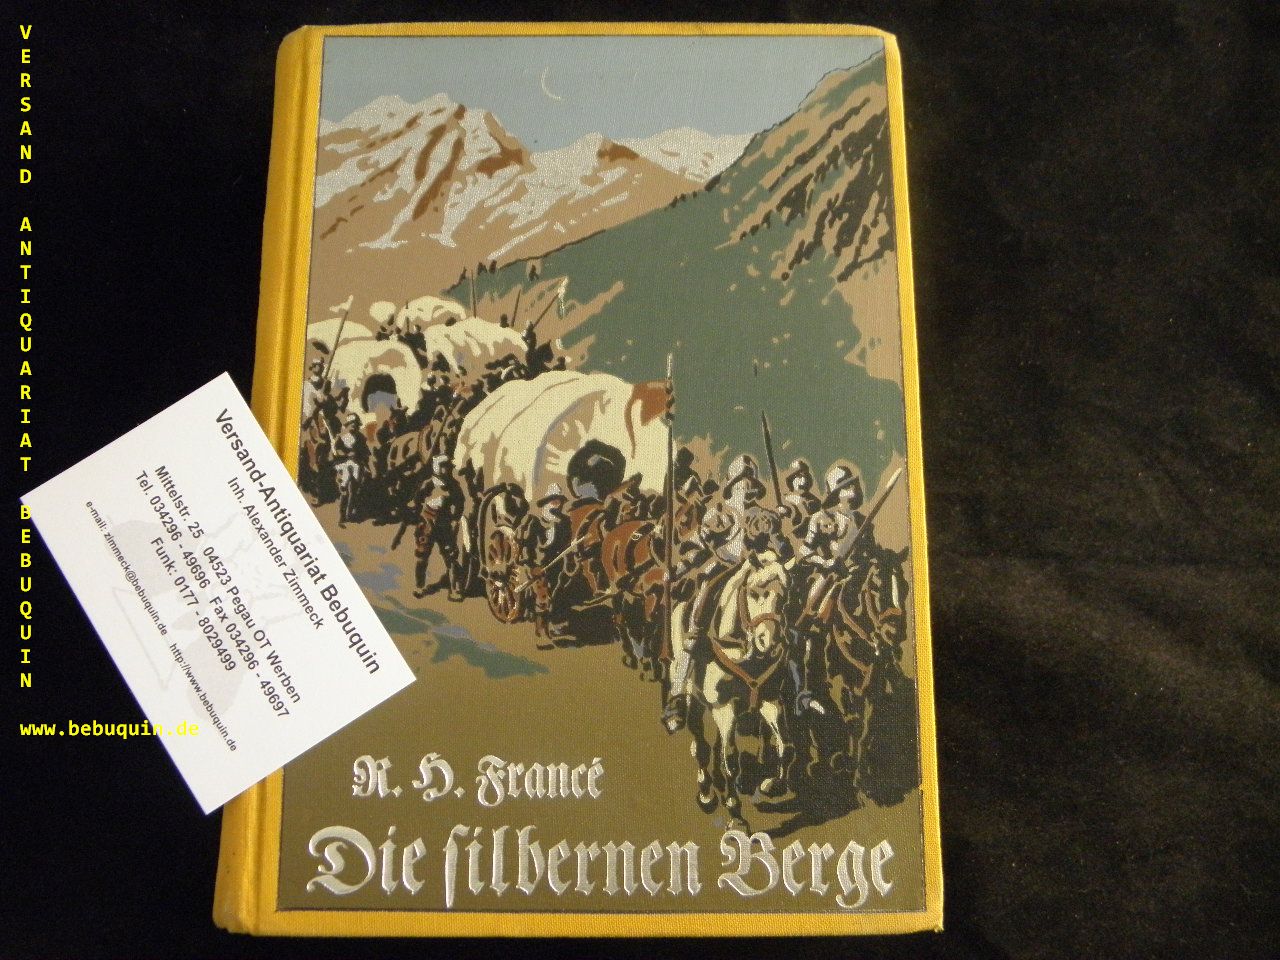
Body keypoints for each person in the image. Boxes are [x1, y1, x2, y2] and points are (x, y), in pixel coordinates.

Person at [791, 462, 868, 713]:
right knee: (813, 624)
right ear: (837, 492)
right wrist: (826, 562)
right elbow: (805, 552)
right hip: (831, 579)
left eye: (853, 484)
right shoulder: (822, 518)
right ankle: (808, 689)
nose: (854, 489)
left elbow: (870, 552)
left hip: (859, 577)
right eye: (847, 486)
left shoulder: (864, 521)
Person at [661, 502, 740, 733]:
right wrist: (676, 571)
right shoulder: (720, 513)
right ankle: (677, 694)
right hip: (723, 569)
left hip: (760, 568)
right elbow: (699, 550)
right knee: (697, 621)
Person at [517, 484, 572, 647]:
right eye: (554, 502)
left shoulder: (563, 523)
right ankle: (540, 631)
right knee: (541, 598)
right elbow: (526, 548)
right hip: (535, 567)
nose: (557, 506)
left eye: (559, 503)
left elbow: (566, 545)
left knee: (556, 594)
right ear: (547, 503)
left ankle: (553, 625)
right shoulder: (533, 522)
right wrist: (533, 566)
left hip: (554, 568)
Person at [412, 455, 464, 600]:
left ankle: (454, 588)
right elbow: (417, 501)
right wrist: (424, 515)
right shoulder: (429, 484)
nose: (446, 470)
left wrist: (454, 518)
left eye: (447, 467)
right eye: (442, 467)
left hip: (444, 527)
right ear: (436, 467)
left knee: (450, 557)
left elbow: (459, 504)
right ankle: (419, 585)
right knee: (422, 556)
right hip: (427, 526)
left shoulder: (453, 486)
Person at [331, 413, 370, 528]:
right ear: (347, 425)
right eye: (351, 423)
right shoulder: (343, 437)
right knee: (345, 492)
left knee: (353, 491)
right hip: (344, 466)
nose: (353, 425)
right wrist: (347, 454)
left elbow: (365, 453)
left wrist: (365, 462)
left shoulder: (361, 438)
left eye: (355, 423)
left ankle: (349, 514)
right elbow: (336, 451)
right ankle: (341, 517)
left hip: (357, 466)